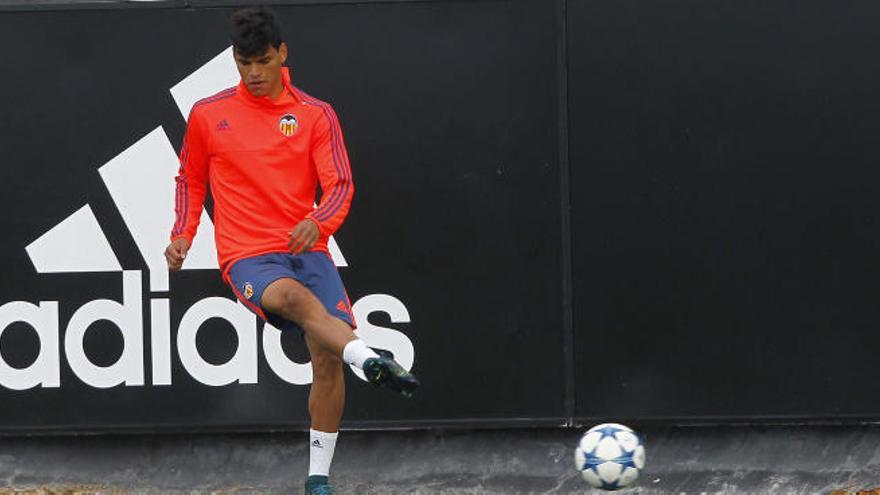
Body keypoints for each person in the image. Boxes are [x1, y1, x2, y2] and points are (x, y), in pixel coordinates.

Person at [163, 7, 418, 494]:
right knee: (296, 303)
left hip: (308, 249)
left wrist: (316, 221)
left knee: (326, 353)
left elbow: (340, 185)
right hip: (247, 255)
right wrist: (183, 233)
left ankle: (317, 480)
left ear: (282, 54)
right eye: (243, 62)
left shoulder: (315, 114)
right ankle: (367, 359)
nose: (253, 74)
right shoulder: (208, 114)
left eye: (262, 61)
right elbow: (190, 179)